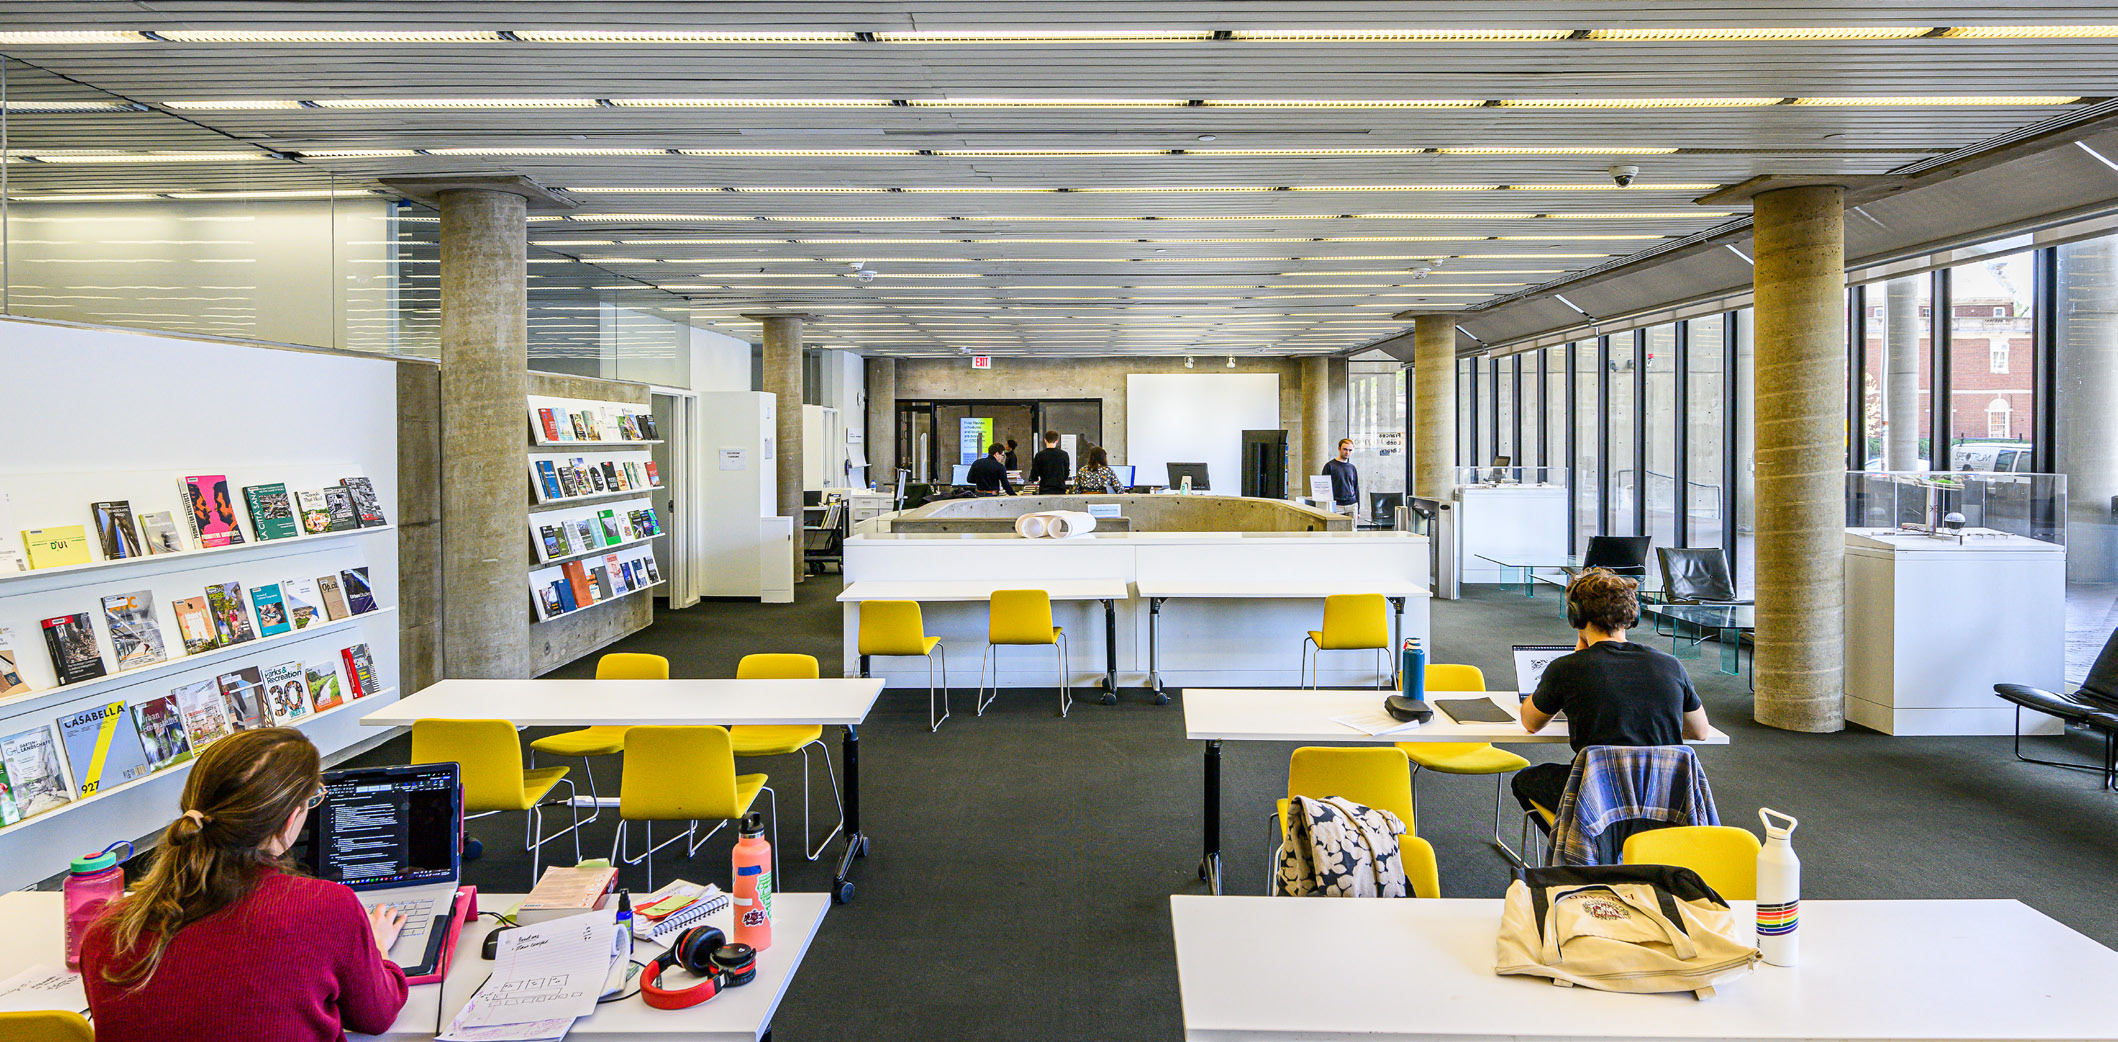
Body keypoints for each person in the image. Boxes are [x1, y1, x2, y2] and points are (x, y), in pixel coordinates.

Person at [83, 728, 410, 1042]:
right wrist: (378, 951)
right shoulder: (326, 906)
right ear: (291, 818)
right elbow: (374, 1015)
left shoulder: (105, 932)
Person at [1513, 568, 1713, 812]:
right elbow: (1700, 731)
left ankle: (1583, 842)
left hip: (1598, 799)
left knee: (1524, 780)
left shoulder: (1567, 669)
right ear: (1631, 615)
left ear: (1576, 617)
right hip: (1661, 800)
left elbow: (1531, 722)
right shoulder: (1669, 665)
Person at [1323, 438, 1360, 517]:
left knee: (1353, 529)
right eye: (1345, 449)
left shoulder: (1352, 468)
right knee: (1335, 528)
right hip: (1336, 505)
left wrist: (1358, 510)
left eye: (1350, 450)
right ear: (1339, 449)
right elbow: (1324, 488)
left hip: (1352, 505)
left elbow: (1356, 488)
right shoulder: (1330, 466)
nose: (1347, 452)